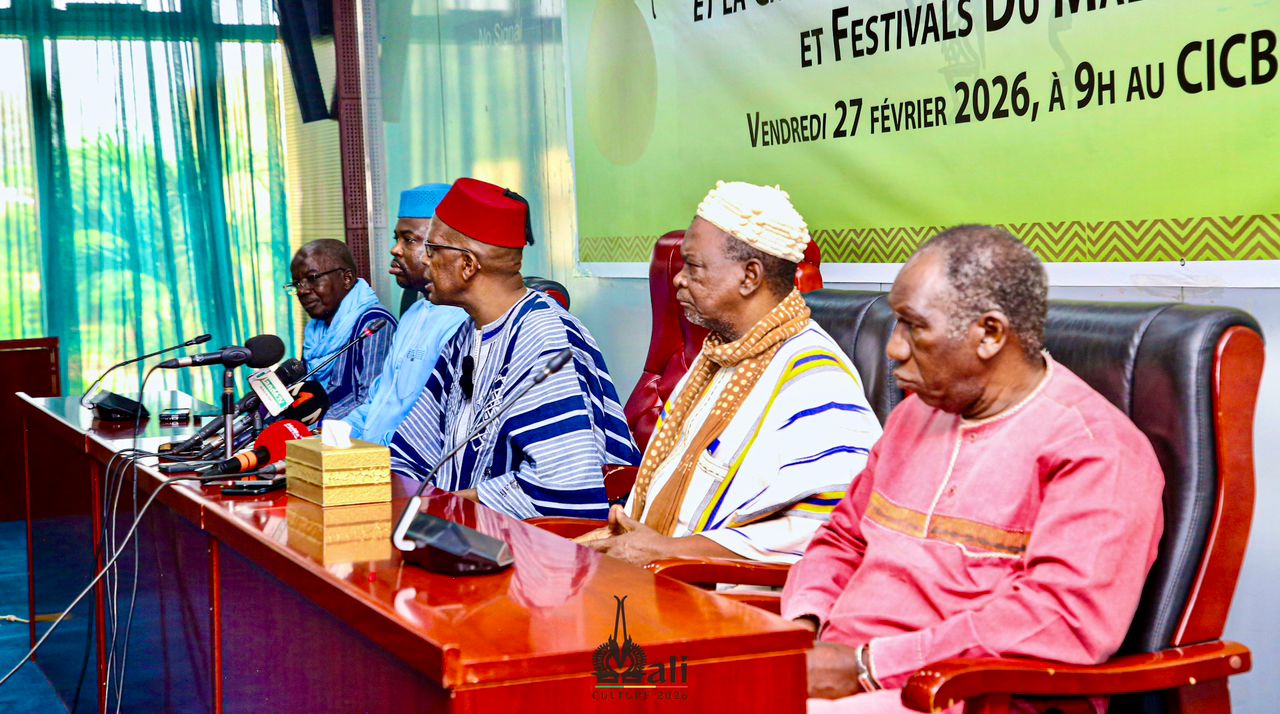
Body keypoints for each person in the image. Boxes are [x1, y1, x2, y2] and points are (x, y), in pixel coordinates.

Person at [781, 226, 1165, 713]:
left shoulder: (1095, 450)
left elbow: (1060, 621)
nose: (895, 348)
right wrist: (802, 630)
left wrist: (865, 665)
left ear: (989, 334)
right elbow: (843, 540)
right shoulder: (915, 415)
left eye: (913, 326)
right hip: (839, 672)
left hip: (966, 696)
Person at [582, 181, 882, 567]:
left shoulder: (816, 379)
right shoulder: (719, 357)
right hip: (659, 574)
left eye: (694, 266)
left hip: (726, 595)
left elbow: (829, 533)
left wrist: (668, 551)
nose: (678, 279)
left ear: (749, 276)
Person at [389, 178, 639, 519]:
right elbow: (412, 451)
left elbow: (564, 488)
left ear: (467, 264)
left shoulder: (545, 337)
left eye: (432, 250)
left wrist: (444, 507)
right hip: (456, 529)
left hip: (533, 542)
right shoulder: (465, 334)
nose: (424, 261)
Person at [341, 184, 469, 445]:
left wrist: (373, 451)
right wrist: (335, 437)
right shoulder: (413, 314)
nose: (395, 250)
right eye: (396, 239)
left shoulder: (462, 323)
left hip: (405, 466)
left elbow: (434, 429)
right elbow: (377, 403)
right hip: (370, 459)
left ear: (443, 247)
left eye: (409, 240)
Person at [289, 239, 397, 421]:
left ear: (347, 279)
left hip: (348, 435)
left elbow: (369, 402)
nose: (302, 291)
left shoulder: (374, 325)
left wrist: (309, 430)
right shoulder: (315, 332)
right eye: (297, 283)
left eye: (312, 278)